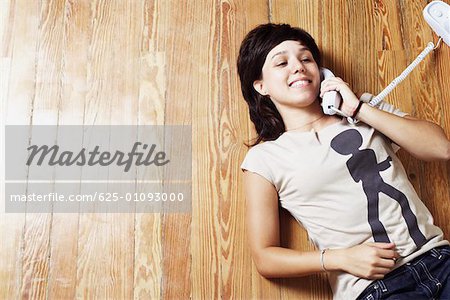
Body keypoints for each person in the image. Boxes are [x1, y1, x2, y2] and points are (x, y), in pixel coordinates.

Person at [237, 23, 450, 300]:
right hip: (375, 289)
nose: (298, 67)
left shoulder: (365, 110)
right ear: (261, 85)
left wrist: (358, 108)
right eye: (281, 62)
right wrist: (339, 259)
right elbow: (265, 258)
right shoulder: (264, 160)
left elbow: (441, 148)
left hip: (441, 260)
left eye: (306, 59)